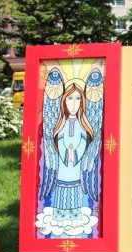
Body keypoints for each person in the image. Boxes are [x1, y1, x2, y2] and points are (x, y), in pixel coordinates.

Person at [50, 80, 94, 228]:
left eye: (77, 99)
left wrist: (74, 153)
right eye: (70, 98)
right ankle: (60, 219)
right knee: (62, 190)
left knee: (74, 191)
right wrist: (65, 152)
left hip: (75, 167)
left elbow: (83, 142)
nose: (74, 104)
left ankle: (75, 220)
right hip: (63, 167)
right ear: (64, 101)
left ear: (82, 102)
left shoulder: (82, 126)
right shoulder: (62, 125)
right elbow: (60, 140)